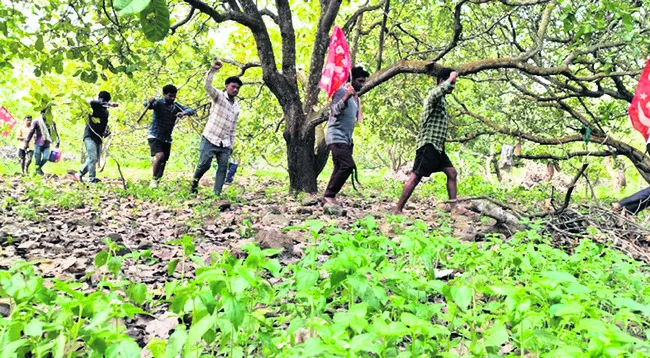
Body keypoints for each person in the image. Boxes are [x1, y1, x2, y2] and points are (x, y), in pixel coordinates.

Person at [394, 65, 468, 214]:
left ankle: (454, 208)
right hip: (428, 145)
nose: (453, 87)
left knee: (452, 173)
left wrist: (452, 78)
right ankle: (397, 209)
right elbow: (437, 91)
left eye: (454, 83)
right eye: (451, 83)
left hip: (438, 147)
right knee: (415, 177)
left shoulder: (443, 101)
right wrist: (452, 76)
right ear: (442, 81)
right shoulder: (433, 95)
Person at [190, 59, 242, 196]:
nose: (235, 89)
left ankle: (216, 194)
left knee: (223, 167)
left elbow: (233, 127)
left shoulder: (236, 107)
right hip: (210, 137)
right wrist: (212, 70)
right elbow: (207, 86)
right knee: (204, 164)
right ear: (226, 86)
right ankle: (194, 184)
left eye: (237, 88)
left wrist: (231, 144)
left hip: (225, 142)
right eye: (233, 86)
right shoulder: (218, 96)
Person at [322, 66, 370, 204]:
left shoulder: (355, 98)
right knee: (347, 166)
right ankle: (329, 195)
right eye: (360, 81)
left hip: (346, 139)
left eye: (363, 82)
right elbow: (334, 111)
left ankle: (328, 196)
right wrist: (346, 96)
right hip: (336, 136)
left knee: (339, 167)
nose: (362, 85)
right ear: (352, 79)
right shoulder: (342, 91)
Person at [144, 84, 194, 188]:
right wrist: (150, 101)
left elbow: (191, 110)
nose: (172, 98)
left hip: (167, 138)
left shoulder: (176, 106)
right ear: (164, 94)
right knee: (159, 156)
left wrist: (183, 113)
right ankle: (153, 179)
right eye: (170, 96)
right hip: (154, 135)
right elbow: (147, 105)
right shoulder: (159, 103)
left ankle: (157, 181)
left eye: (174, 96)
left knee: (163, 161)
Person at [73, 91, 118, 183]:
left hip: (98, 137)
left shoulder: (106, 112)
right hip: (89, 136)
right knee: (92, 158)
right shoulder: (93, 107)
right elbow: (91, 102)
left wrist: (106, 131)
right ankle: (91, 179)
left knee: (93, 159)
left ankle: (79, 174)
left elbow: (104, 124)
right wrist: (109, 104)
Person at [24, 110, 60, 176]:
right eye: (44, 113)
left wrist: (58, 141)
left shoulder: (51, 122)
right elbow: (31, 132)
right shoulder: (37, 121)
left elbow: (55, 132)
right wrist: (26, 142)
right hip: (38, 143)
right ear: (41, 113)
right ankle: (37, 172)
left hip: (47, 144)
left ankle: (38, 169)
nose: (45, 115)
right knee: (37, 159)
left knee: (46, 158)